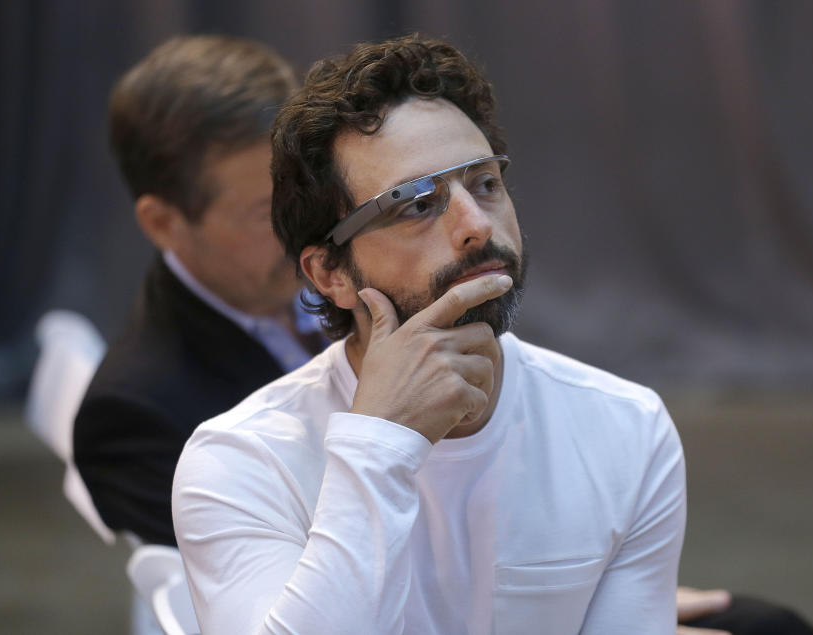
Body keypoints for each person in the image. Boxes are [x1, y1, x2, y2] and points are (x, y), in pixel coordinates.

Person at [172, 35, 686, 633]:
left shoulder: (626, 427)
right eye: (416, 203)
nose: (474, 224)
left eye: (486, 183)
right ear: (329, 272)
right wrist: (379, 444)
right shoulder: (242, 459)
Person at [72, 35, 326, 547]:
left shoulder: (337, 266)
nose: (310, 227)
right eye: (267, 212)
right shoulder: (137, 420)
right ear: (163, 223)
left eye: (311, 189)